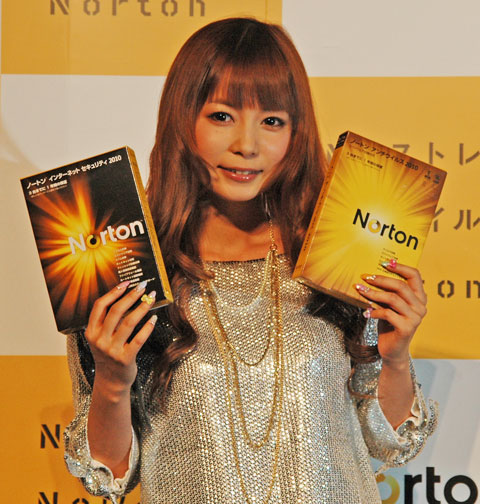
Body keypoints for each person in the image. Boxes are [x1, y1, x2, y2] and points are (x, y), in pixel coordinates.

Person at [64, 17, 437, 504]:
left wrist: (396, 355)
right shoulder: (131, 269)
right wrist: (112, 382)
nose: (247, 145)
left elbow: (391, 444)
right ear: (183, 120)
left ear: (296, 132)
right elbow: (106, 476)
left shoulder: (336, 255)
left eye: (272, 121)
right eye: (222, 116)